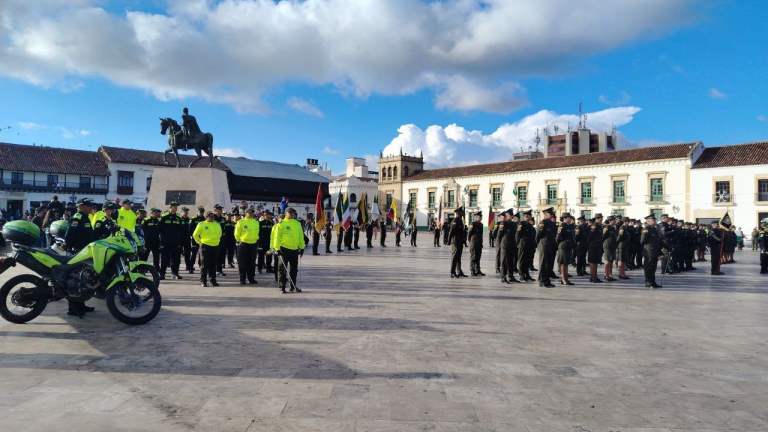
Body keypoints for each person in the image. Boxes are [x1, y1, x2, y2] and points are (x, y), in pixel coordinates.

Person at [63, 198, 96, 316]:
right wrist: (75, 248)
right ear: (80, 206)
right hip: (77, 253)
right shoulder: (77, 218)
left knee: (82, 280)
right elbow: (69, 236)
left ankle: (80, 305)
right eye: (88, 205)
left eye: (91, 205)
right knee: (74, 280)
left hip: (84, 253)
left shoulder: (85, 217)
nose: (91, 207)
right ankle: (72, 308)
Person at [271, 207, 306, 294]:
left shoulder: (297, 223)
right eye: (289, 212)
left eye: (292, 212)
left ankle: (292, 285)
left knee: (294, 269)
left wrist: (302, 247)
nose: (291, 214)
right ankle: (282, 286)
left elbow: (300, 236)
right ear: (285, 214)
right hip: (284, 249)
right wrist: (277, 249)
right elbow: (277, 237)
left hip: (294, 249)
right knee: (282, 269)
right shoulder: (281, 224)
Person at [193, 211, 222, 287]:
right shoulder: (201, 224)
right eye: (210, 216)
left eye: (212, 217)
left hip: (215, 246)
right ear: (206, 217)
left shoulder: (217, 225)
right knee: (204, 264)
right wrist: (200, 242)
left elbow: (220, 234)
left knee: (213, 264)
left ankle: (213, 280)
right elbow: (195, 235)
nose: (211, 218)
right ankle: (203, 280)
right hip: (205, 246)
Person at [159, 201, 185, 280]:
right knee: (164, 258)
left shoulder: (179, 217)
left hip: (175, 240)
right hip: (166, 240)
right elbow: (159, 228)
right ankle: (162, 274)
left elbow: (181, 228)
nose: (176, 208)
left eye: (176, 206)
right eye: (174, 206)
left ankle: (175, 273)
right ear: (170, 207)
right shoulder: (164, 216)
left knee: (176, 258)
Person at [235, 208, 259, 285]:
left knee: (252, 262)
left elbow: (257, 232)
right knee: (242, 262)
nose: (251, 214)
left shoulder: (256, 222)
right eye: (249, 213)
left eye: (252, 213)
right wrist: (240, 240)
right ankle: (242, 278)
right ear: (246, 213)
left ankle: (251, 278)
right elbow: (237, 234)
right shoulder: (241, 222)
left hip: (253, 244)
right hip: (244, 244)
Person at [536, 207, 556, 288]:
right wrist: (539, 245)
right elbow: (538, 236)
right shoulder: (542, 223)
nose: (552, 215)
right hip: (544, 245)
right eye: (550, 214)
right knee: (543, 264)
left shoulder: (552, 223)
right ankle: (542, 281)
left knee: (549, 264)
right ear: (546, 215)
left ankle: (547, 280)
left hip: (550, 246)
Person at [640, 214, 662, 289]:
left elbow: (659, 240)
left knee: (653, 267)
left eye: (655, 219)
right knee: (648, 267)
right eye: (653, 220)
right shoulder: (646, 229)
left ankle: (653, 281)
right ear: (648, 221)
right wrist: (648, 246)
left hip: (654, 251)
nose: (655, 221)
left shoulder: (653, 229)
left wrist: (668, 247)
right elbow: (642, 241)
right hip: (649, 251)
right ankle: (648, 282)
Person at [556, 213, 575, 286]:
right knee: (563, 263)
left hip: (568, 246)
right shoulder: (562, 225)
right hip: (563, 246)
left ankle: (566, 278)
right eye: (569, 218)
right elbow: (558, 237)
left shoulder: (569, 226)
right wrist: (559, 245)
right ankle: (563, 279)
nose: (571, 219)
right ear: (565, 218)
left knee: (566, 263)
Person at [516, 210, 535, 282]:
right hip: (523, 245)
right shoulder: (521, 224)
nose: (528, 217)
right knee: (522, 260)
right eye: (527, 216)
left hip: (529, 245)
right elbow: (518, 235)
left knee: (527, 260)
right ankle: (521, 275)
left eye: (529, 216)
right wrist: (518, 244)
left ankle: (527, 274)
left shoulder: (529, 225)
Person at [448, 208, 467, 278]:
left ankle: (459, 271)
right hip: (455, 241)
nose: (463, 213)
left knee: (458, 257)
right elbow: (451, 231)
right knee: (454, 257)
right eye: (462, 212)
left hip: (460, 241)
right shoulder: (455, 220)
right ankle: (452, 272)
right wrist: (449, 240)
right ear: (458, 213)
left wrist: (464, 241)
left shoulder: (460, 220)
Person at [501, 211, 519, 283]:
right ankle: (503, 276)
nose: (511, 216)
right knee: (504, 261)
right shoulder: (503, 223)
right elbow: (498, 235)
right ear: (507, 215)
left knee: (511, 261)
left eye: (512, 215)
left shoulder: (514, 224)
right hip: (505, 244)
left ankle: (511, 276)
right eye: (510, 215)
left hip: (512, 244)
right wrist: (500, 243)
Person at [187, 207, 206, 273]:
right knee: (193, 254)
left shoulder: (204, 219)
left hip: (202, 239)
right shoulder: (193, 219)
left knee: (202, 254)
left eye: (202, 212)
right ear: (197, 211)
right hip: (195, 239)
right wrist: (192, 236)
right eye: (200, 211)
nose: (201, 213)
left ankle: (201, 266)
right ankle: (191, 267)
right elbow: (190, 229)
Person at [588, 213, 604, 283]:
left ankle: (595, 276)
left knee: (596, 261)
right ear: (597, 218)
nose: (602, 219)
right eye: (601, 218)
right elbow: (590, 236)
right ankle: (592, 277)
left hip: (598, 245)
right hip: (593, 246)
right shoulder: (594, 226)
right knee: (593, 261)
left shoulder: (599, 226)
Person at [468, 211, 485, 277]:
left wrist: (481, 242)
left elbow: (481, 234)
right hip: (474, 242)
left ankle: (478, 270)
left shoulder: (481, 224)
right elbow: (469, 233)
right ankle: (472, 270)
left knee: (478, 257)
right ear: (476, 217)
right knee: (473, 257)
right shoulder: (472, 224)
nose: (481, 218)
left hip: (479, 242)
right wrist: (470, 241)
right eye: (480, 217)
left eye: (481, 217)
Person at [602, 215, 618, 282]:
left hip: (612, 246)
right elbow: (603, 236)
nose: (615, 221)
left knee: (611, 261)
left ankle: (610, 275)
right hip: (608, 245)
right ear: (610, 221)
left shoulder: (613, 227)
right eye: (614, 220)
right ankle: (606, 275)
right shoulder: (607, 227)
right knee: (607, 261)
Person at [179, 207, 191, 273]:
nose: (186, 212)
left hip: (187, 238)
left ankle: (188, 266)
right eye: (184, 211)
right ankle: (177, 266)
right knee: (178, 253)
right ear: (181, 212)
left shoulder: (189, 219)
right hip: (179, 238)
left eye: (186, 211)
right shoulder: (179, 219)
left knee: (187, 253)